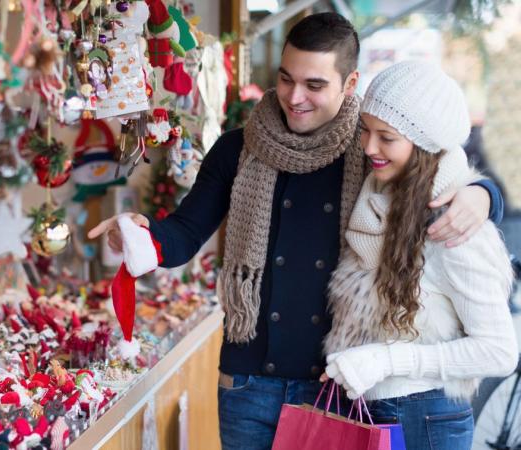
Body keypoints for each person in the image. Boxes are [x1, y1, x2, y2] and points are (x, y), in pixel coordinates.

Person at [88, 13, 504, 449]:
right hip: (249, 384)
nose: (294, 97)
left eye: (315, 85)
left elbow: (439, 169)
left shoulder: (370, 151)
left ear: (350, 82)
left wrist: (483, 194)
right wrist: (145, 236)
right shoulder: (238, 148)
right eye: (286, 79)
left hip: (336, 388)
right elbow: (185, 233)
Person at [321, 61, 518, 450]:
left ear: (425, 144)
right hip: (376, 409)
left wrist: (385, 360)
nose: (369, 147)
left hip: (424, 417)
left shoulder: (453, 224)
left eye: (386, 137)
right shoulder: (381, 197)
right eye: (366, 131)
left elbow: (499, 352)